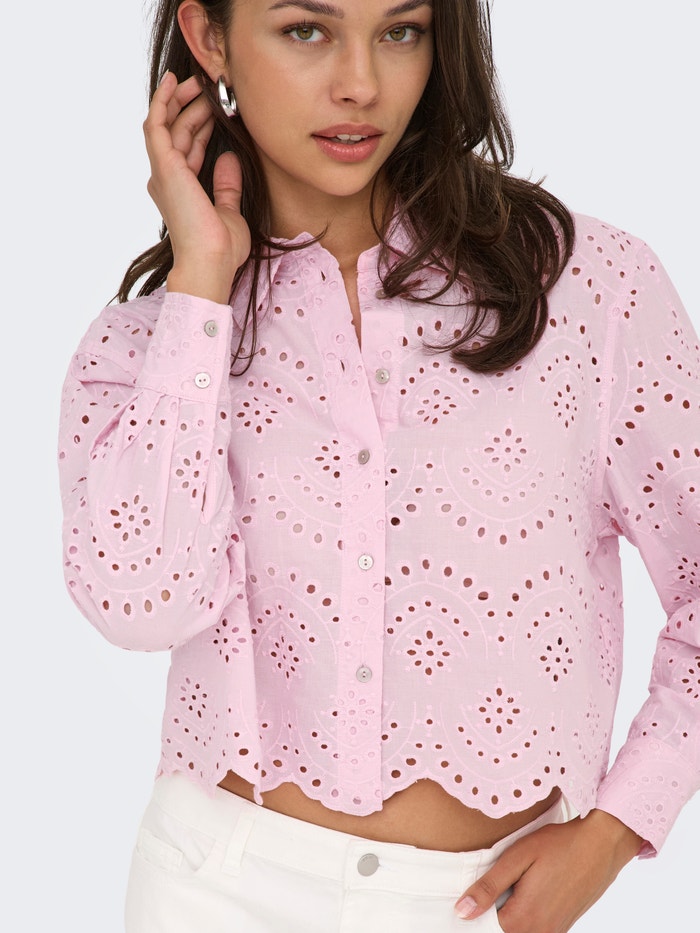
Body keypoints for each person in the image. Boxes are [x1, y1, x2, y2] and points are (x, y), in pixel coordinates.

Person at [57, 0, 700, 930]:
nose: (360, 84)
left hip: (483, 903)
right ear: (210, 39)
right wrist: (201, 283)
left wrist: (616, 827)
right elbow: (138, 602)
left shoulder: (587, 288)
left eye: (400, 31)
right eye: (306, 30)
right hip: (212, 889)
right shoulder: (147, 348)